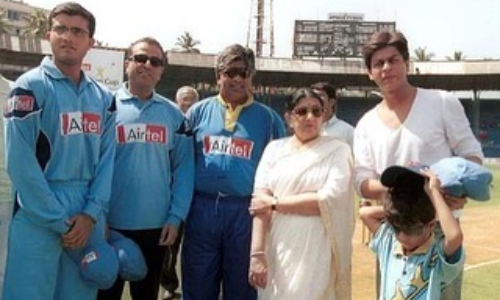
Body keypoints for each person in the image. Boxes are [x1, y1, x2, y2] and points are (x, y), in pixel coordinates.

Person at [353, 30, 484, 300]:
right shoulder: (366, 124)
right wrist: (410, 189)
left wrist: (454, 192)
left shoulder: (441, 102)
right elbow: (362, 182)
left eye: (393, 59)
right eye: (378, 63)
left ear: (407, 63)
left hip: (437, 227)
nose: (387, 68)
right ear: (369, 73)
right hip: (393, 231)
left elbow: (471, 156)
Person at [2, 2, 116, 300]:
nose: (68, 37)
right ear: (48, 35)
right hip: (38, 210)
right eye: (61, 29)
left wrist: (91, 215)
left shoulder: (103, 98)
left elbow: (107, 161)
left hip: (85, 212)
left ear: (90, 42)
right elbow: (20, 163)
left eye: (77, 31)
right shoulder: (29, 87)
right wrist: (57, 219)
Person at [181, 44, 287, 300]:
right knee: (197, 284)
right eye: (231, 72)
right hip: (202, 209)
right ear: (219, 75)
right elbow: (181, 165)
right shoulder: (197, 113)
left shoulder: (270, 119)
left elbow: (281, 173)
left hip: (245, 212)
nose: (238, 79)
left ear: (252, 77)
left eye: (245, 72)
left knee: (242, 289)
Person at [96, 37, 194, 300]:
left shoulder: (174, 115)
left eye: (155, 61)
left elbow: (184, 171)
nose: (147, 65)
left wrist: (175, 217)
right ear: (127, 63)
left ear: (161, 71)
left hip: (156, 227)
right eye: (140, 58)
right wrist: (96, 215)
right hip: (109, 225)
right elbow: (91, 167)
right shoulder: (105, 107)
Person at [248, 88, 355, 300]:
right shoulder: (274, 150)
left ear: (324, 116)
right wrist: (257, 254)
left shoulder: (338, 151)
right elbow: (259, 204)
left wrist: (275, 204)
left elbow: (329, 199)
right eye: (302, 111)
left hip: (317, 249)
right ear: (289, 117)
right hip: (278, 247)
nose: (310, 117)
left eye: (317, 111)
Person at [360, 164, 465, 299]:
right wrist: (401, 210)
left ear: (431, 225)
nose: (402, 236)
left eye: (412, 229)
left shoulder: (436, 255)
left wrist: (434, 193)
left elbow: (454, 236)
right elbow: (364, 213)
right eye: (396, 227)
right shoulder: (389, 243)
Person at [160, 85, 199, 300]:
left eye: (192, 99)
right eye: (184, 99)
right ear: (177, 100)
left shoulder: (203, 125)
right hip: (173, 196)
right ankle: (168, 283)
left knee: (195, 246)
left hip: (200, 198)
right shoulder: (171, 122)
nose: (188, 103)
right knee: (170, 246)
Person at [311, 82, 354, 148]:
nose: (315, 99)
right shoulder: (306, 129)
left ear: (331, 102)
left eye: (320, 95)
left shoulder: (347, 131)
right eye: (313, 95)